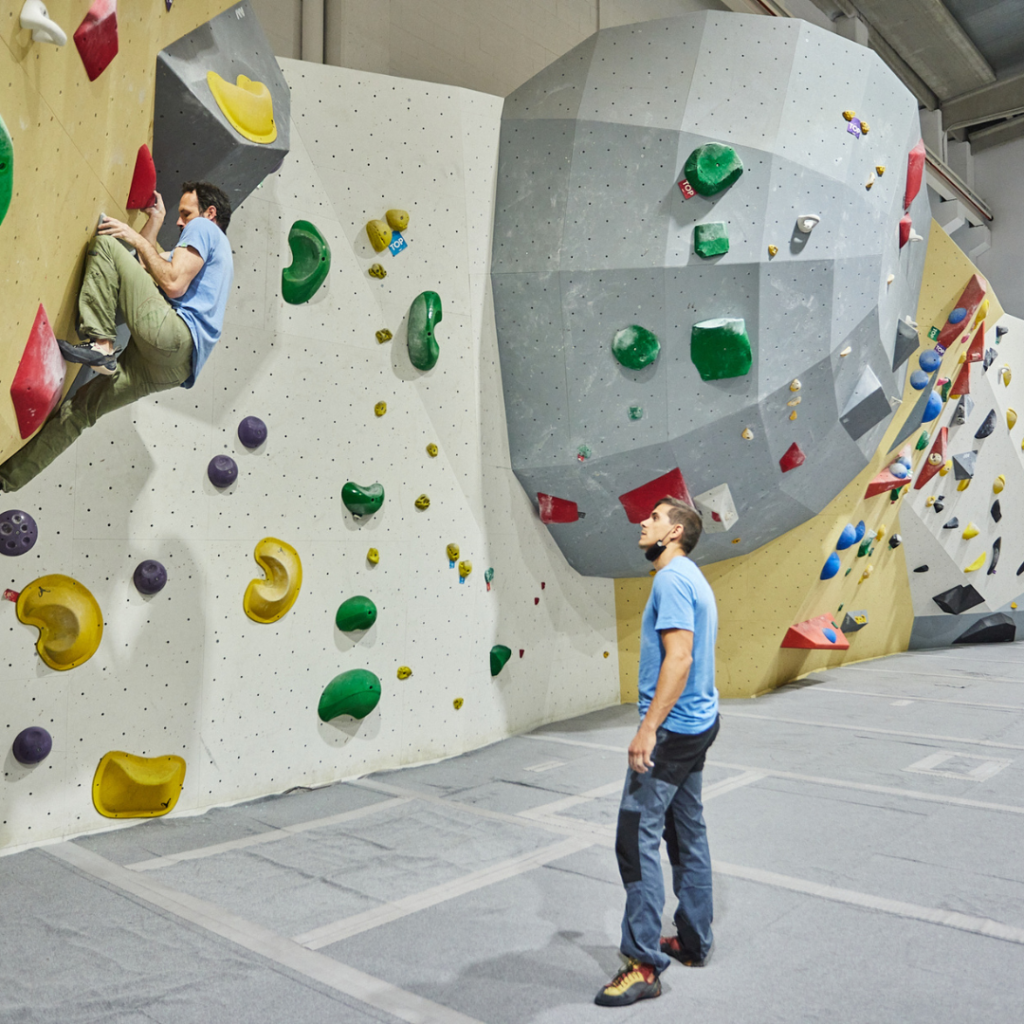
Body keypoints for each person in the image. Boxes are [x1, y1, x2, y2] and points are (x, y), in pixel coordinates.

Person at [0, 181, 234, 492]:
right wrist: (153, 224)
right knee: (81, 412)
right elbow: (141, 269)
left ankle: (101, 345)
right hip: (174, 367)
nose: (181, 222)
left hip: (173, 336)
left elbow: (172, 283)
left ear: (210, 212)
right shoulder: (214, 256)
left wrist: (135, 236)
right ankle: (7, 479)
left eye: (185, 213)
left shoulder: (204, 229)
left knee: (108, 247)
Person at [595, 496, 720, 1007]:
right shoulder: (692, 575)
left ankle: (643, 962)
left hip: (671, 733)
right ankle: (693, 940)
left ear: (674, 533)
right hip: (699, 724)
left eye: (653, 519)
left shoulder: (671, 579)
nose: (643, 524)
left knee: (635, 837)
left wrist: (648, 729)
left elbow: (681, 658)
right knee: (685, 828)